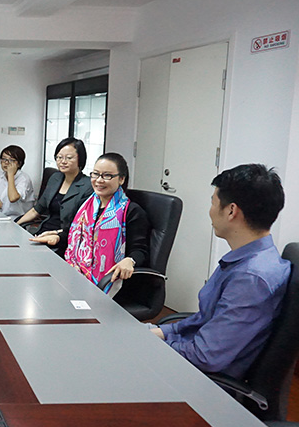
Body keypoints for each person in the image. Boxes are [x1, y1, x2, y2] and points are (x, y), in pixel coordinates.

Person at [151, 164, 290, 378]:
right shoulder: (245, 259)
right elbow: (204, 319)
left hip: (200, 379)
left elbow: (204, 356)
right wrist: (161, 332)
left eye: (213, 203)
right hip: (188, 355)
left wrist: (151, 344)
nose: (210, 211)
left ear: (231, 211)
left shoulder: (251, 278)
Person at [62, 153, 150, 291]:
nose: (99, 180)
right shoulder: (85, 205)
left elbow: (140, 250)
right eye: (95, 174)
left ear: (121, 179)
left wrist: (130, 260)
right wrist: (57, 236)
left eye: (107, 176)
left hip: (111, 280)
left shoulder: (131, 211)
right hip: (75, 271)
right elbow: (75, 235)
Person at [17, 137, 94, 257]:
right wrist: (16, 224)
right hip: (43, 232)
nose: (63, 161)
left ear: (80, 159)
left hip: (64, 238)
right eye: (59, 157)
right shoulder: (55, 178)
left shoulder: (88, 185)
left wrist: (56, 234)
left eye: (69, 158)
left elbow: (81, 225)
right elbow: (36, 210)